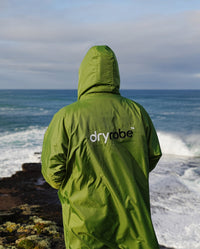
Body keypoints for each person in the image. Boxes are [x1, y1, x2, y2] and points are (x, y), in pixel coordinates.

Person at [41, 45, 162, 249]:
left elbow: (53, 174)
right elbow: (152, 156)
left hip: (85, 225)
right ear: (115, 74)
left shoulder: (67, 117)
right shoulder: (137, 112)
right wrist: (125, 175)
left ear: (84, 75)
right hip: (134, 222)